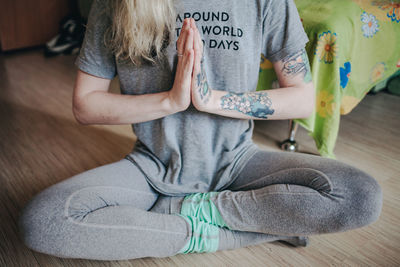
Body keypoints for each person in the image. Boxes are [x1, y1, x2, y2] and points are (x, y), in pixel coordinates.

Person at [18, 0, 383, 261]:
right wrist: (171, 101)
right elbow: (86, 104)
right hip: (151, 171)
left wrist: (212, 100)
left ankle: (175, 217)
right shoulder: (115, 4)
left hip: (239, 164)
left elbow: (303, 99)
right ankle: (253, 223)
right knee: (45, 222)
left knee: (361, 196)